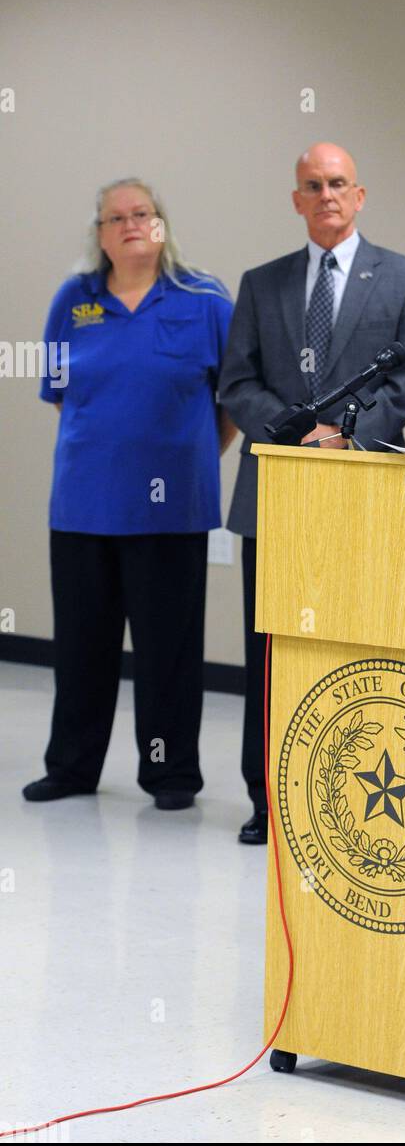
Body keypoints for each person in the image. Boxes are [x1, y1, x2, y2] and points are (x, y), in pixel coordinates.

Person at [219, 142, 405, 846]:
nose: (326, 196)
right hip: (274, 492)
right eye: (312, 185)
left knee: (352, 651)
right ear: (296, 200)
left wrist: (343, 436)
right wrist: (291, 433)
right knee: (270, 651)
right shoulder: (261, 283)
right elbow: (237, 384)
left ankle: (342, 797)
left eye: (338, 183)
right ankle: (265, 799)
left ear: (361, 194)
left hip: (358, 492)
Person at [24, 178, 236, 811]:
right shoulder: (74, 301)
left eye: (141, 213)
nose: (129, 224)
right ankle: (71, 767)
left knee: (168, 651)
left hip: (171, 511)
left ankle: (170, 776)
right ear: (99, 235)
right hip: (84, 507)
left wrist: (189, 456)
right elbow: (62, 396)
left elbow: (231, 403)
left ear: (162, 224)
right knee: (82, 647)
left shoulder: (204, 300)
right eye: (114, 218)